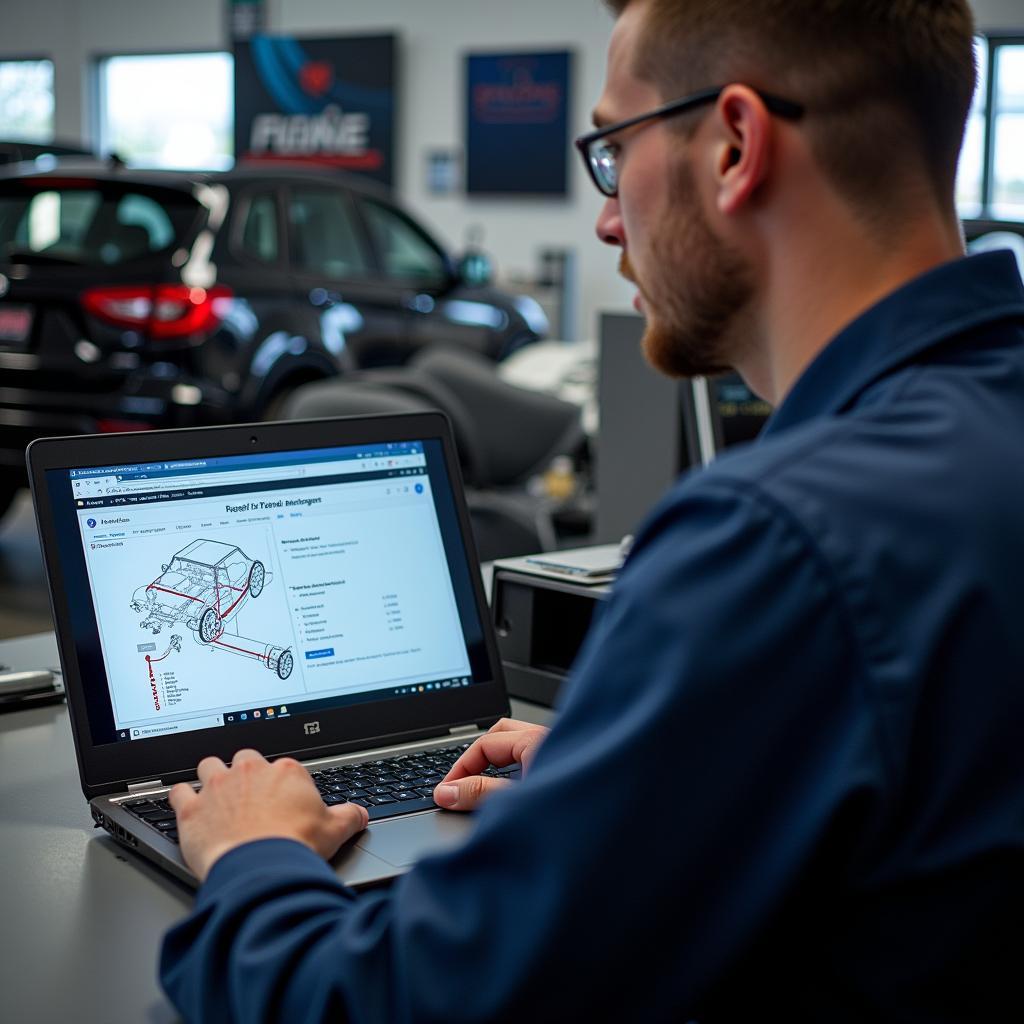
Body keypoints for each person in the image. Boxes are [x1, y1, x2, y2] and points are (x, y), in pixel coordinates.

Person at [161, 1, 1024, 1020]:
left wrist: (254, 853)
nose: (607, 219)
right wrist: (635, 781)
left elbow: (396, 1001)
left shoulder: (776, 539)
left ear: (735, 145)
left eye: (614, 152)